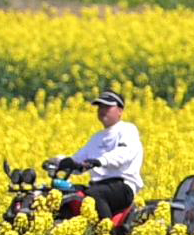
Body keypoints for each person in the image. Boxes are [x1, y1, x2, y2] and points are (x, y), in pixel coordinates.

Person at [59, 90, 144, 220]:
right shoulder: (96, 138)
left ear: (120, 110)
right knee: (67, 194)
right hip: (97, 185)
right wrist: (60, 162)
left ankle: (106, 234)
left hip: (122, 186)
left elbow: (124, 154)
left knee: (95, 195)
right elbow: (79, 160)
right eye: (100, 107)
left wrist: (100, 161)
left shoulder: (127, 129)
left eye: (107, 106)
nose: (102, 110)